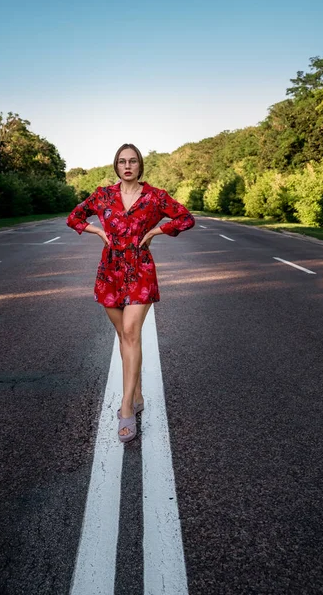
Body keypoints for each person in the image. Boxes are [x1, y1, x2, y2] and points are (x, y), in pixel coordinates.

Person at [66, 143, 195, 442]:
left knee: (131, 331)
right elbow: (73, 218)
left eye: (133, 161)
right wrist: (98, 231)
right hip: (109, 271)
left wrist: (154, 232)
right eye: (122, 161)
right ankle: (135, 394)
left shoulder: (154, 196)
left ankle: (126, 408)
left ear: (140, 166)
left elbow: (185, 218)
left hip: (140, 269)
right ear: (116, 165)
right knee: (124, 336)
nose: (127, 166)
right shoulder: (103, 195)